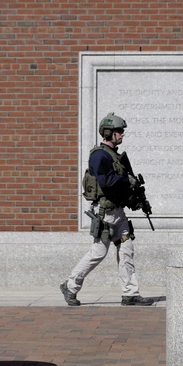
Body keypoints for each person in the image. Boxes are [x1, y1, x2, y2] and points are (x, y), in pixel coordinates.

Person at [60, 113, 154, 306]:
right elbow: (107, 182)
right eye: (119, 131)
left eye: (122, 131)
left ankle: (130, 293)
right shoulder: (99, 155)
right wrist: (126, 180)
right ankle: (70, 286)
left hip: (118, 213)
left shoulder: (116, 157)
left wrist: (134, 198)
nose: (122, 134)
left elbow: (119, 187)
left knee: (126, 250)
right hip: (105, 213)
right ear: (108, 132)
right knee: (98, 253)